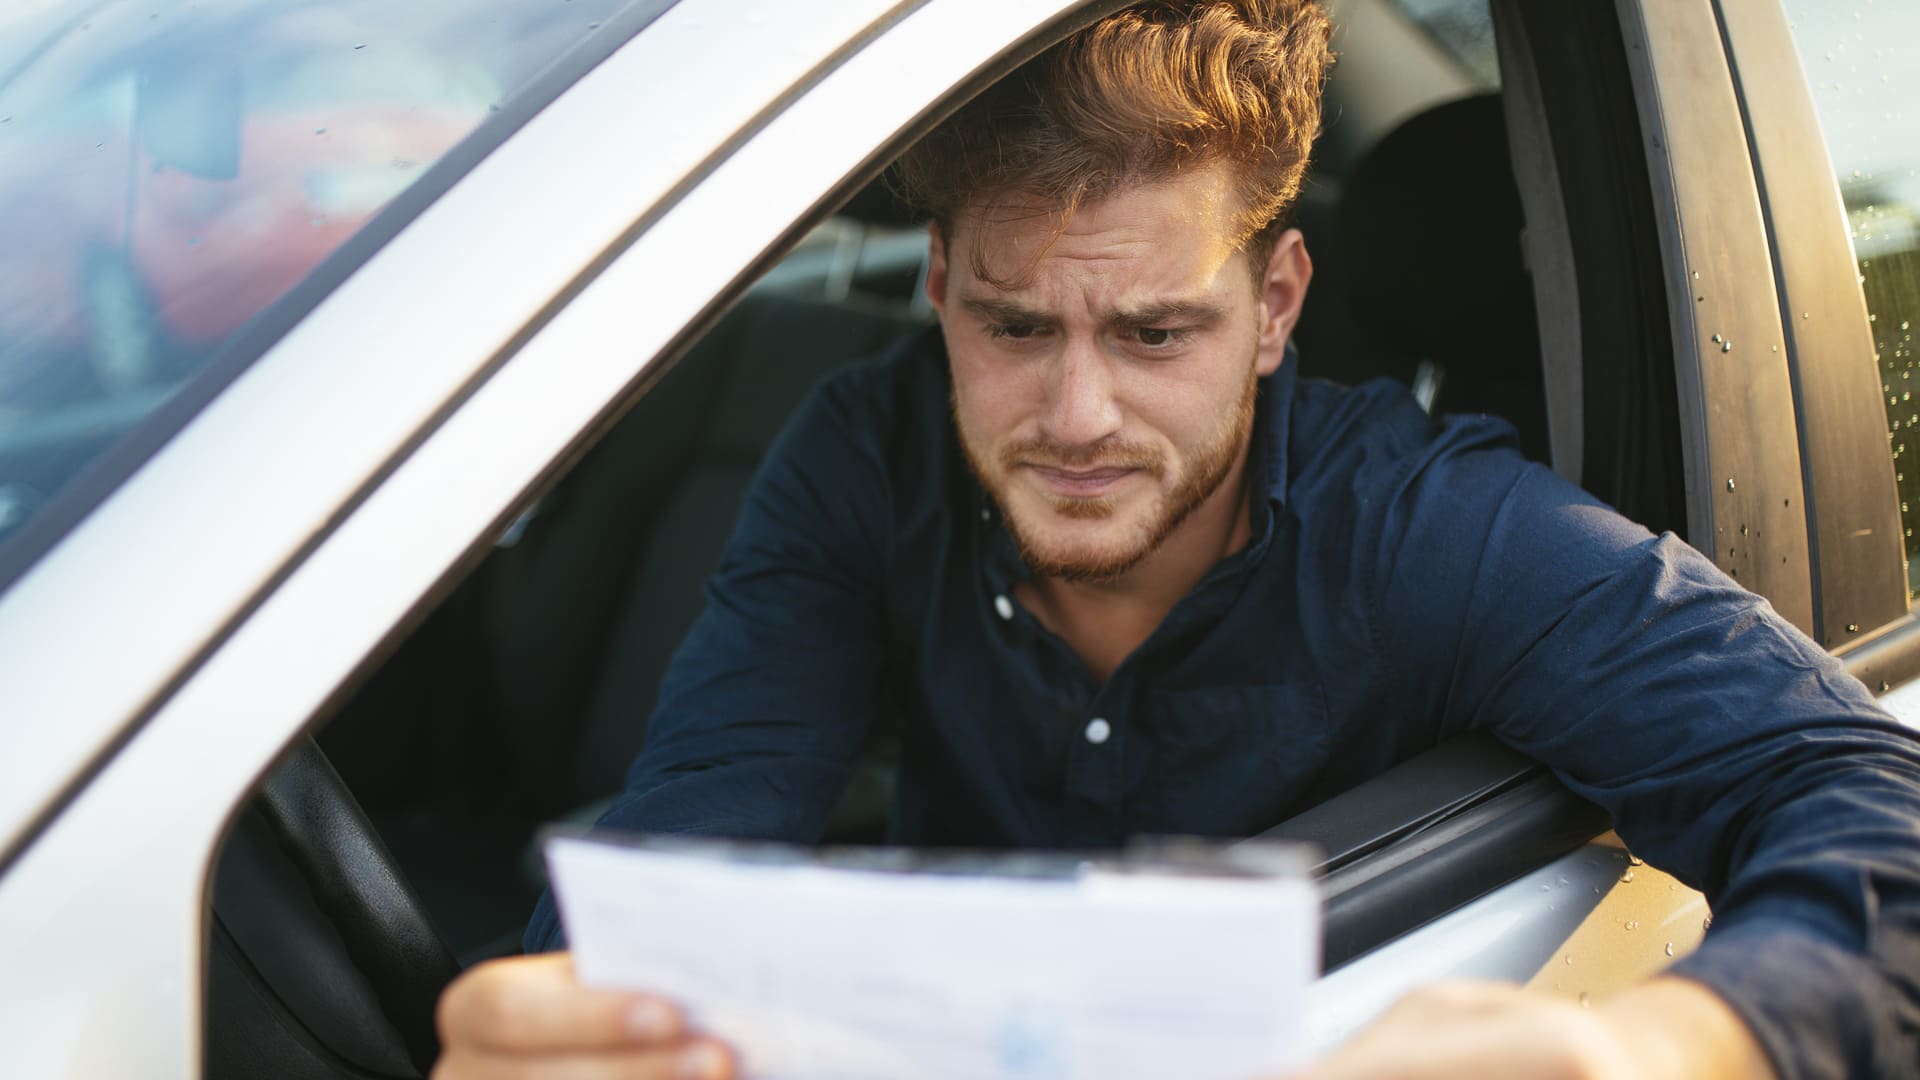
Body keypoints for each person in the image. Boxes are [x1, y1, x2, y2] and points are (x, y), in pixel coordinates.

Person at [430, 2, 1920, 1077]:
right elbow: (698, 814)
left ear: (1274, 307)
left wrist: (1657, 1050)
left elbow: (1875, 811)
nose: (1076, 416)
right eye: (1016, 325)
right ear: (938, 285)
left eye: (1156, 332)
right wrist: (574, 1008)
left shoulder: (1435, 528)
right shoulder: (867, 454)